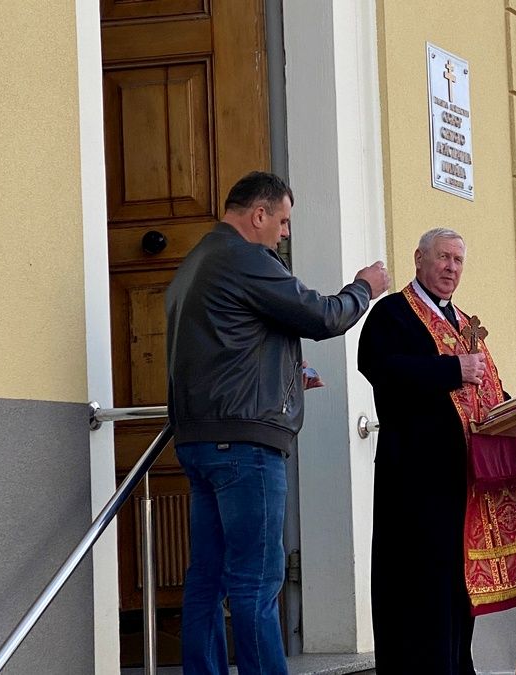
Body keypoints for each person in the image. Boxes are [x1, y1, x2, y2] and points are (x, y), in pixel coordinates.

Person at [165, 171, 390, 675]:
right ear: (259, 214)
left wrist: (288, 375)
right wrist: (364, 288)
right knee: (256, 583)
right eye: (283, 221)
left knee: (206, 581)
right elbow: (321, 316)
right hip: (245, 448)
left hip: (200, 440)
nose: (285, 233)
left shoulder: (196, 261)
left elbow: (223, 347)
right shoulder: (246, 258)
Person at [358, 228, 516, 675]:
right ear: (419, 258)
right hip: (414, 477)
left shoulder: (464, 322)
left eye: (458, 260)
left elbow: (486, 393)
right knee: (419, 585)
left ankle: (457, 666)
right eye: (443, 258)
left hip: (463, 479)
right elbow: (380, 367)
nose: (451, 268)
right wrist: (452, 369)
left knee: (457, 587)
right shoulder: (392, 313)